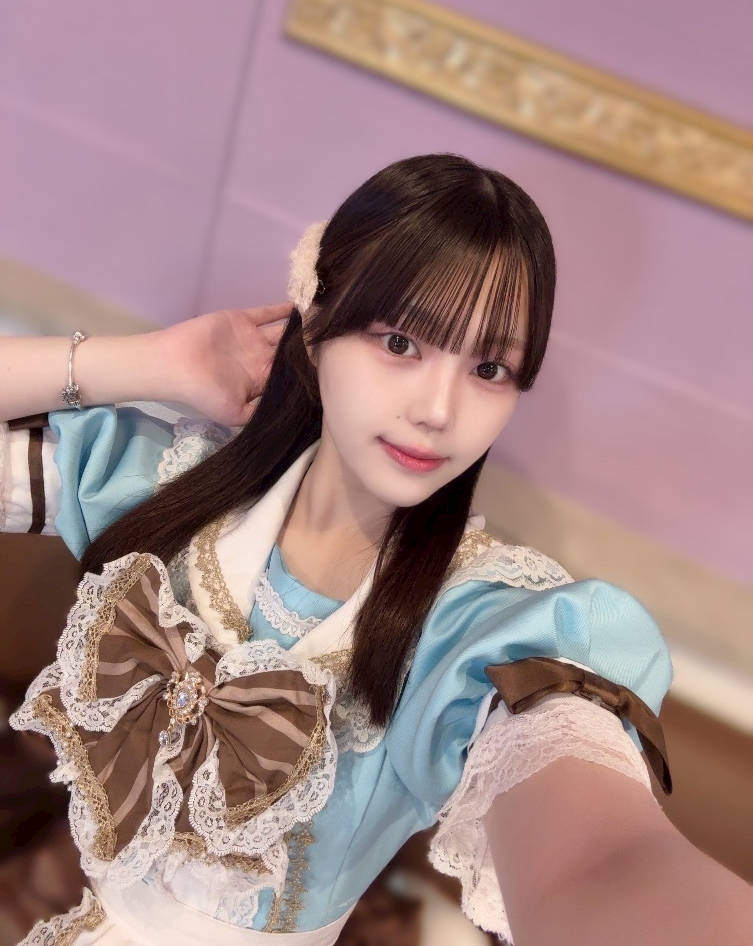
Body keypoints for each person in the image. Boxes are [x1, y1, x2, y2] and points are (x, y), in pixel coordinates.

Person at [0, 154, 750, 946]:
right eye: (399, 342)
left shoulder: (475, 630)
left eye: (489, 368)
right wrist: (151, 363)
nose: (438, 410)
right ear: (315, 322)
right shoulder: (163, 486)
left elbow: (600, 860)